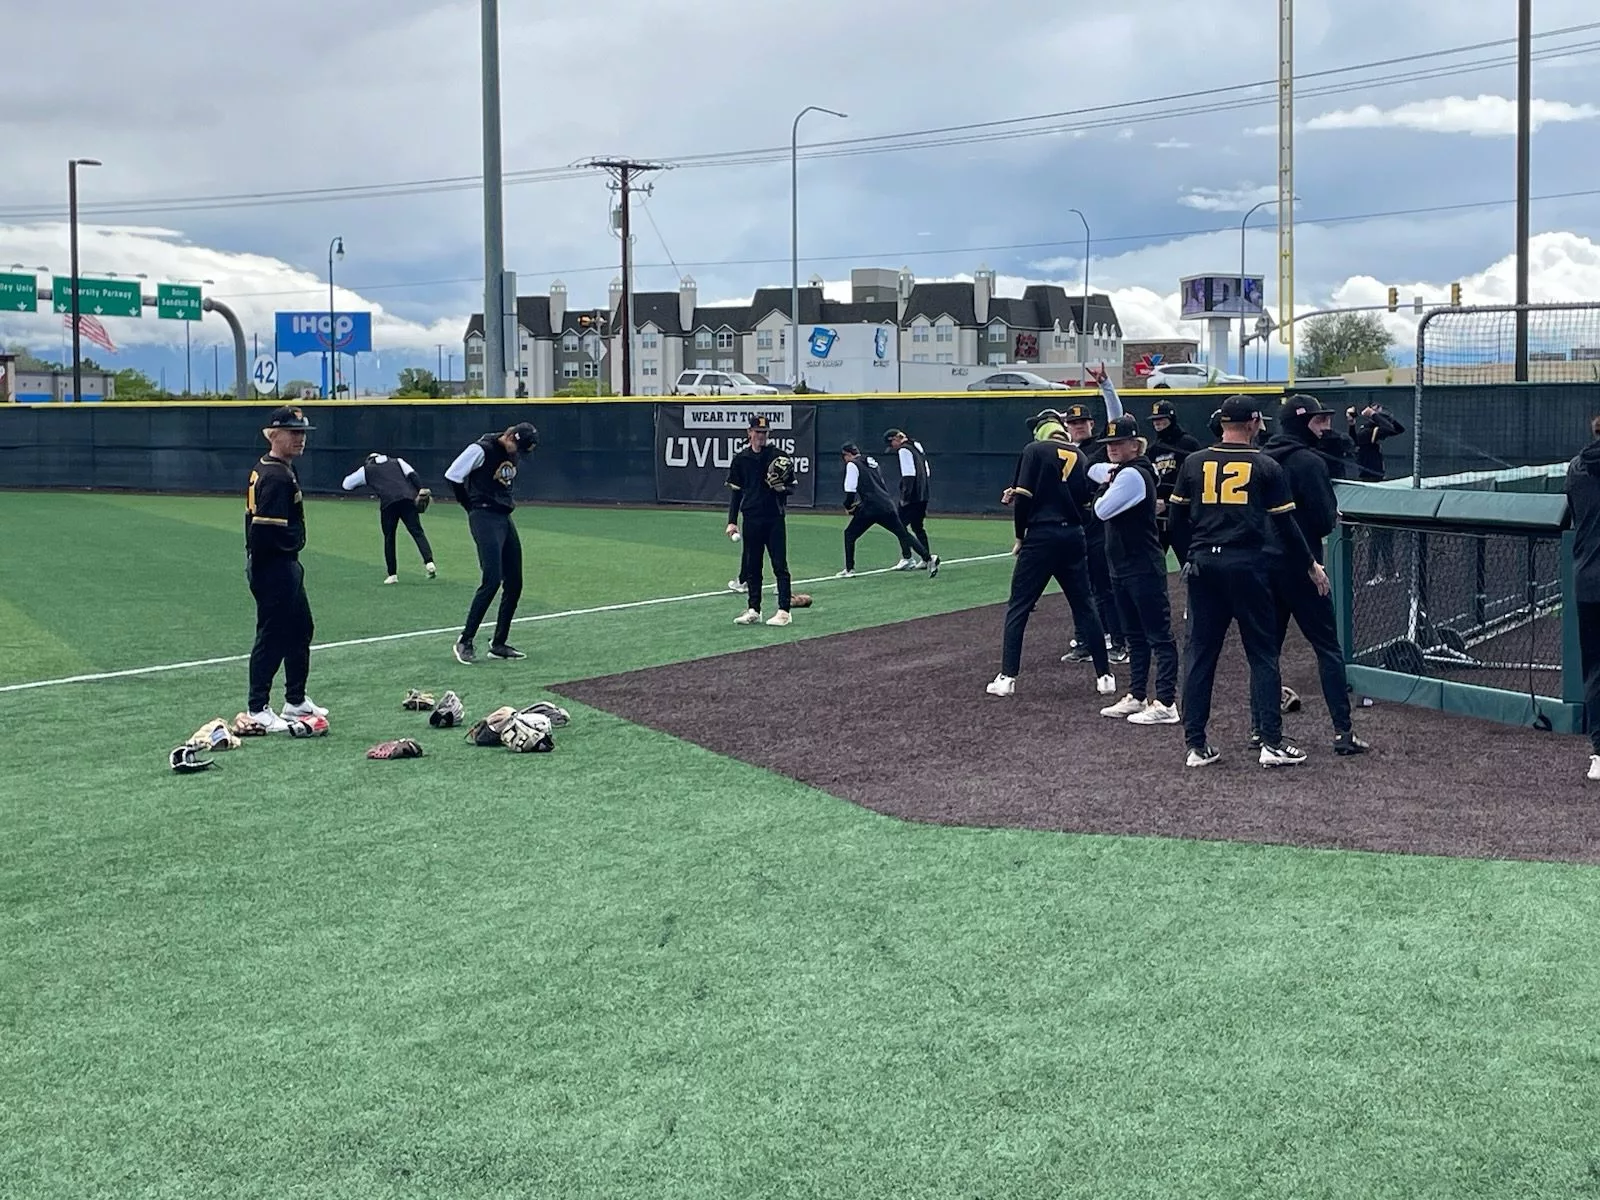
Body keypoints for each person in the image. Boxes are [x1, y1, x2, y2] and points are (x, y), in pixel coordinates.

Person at [1167, 395, 1327, 768]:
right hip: (1247, 565)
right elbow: (1286, 525)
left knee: (1200, 654)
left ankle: (1196, 744)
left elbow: (1175, 522)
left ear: (1222, 423)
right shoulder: (1265, 465)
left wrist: (1190, 557)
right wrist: (1310, 565)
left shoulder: (1194, 462)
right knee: (1262, 653)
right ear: (1254, 423)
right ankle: (1270, 742)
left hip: (1204, 566)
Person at [1260, 395, 1370, 757]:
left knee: (1266, 653)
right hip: (1305, 566)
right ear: (1300, 423)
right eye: (1318, 421)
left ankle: (1261, 730)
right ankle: (1343, 733)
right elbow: (1324, 520)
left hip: (1264, 565)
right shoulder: (1308, 461)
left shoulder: (1261, 458)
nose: (1325, 427)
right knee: (1327, 648)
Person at [986, 410, 1116, 699]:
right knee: (1085, 606)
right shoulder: (1079, 455)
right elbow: (1083, 501)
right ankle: (1105, 676)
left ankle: (1007, 677)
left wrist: (1020, 535)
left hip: (1041, 536)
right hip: (1073, 535)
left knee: (1019, 606)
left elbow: (1025, 497)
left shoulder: (1034, 450)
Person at [1089, 414, 1180, 725]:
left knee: (1158, 635)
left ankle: (1166, 701)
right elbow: (1094, 470)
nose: (1112, 448)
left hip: (1140, 565)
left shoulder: (1131, 474)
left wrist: (1104, 485)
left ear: (1135, 444)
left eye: (1119, 442)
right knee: (1136, 636)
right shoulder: (1125, 471)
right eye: (1109, 443)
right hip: (1125, 564)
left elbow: (1101, 510)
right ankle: (1137, 695)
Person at [244, 405, 327, 732]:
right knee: (272, 634)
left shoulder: (275, 467)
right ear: (273, 434)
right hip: (274, 566)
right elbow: (264, 532)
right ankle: (257, 708)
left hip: (282, 565)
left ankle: (295, 700)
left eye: (302, 432)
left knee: (300, 628)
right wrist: (272, 569)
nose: (300, 438)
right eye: (293, 432)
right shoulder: (277, 476)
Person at [445, 421, 539, 664]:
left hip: (503, 516)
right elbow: (453, 475)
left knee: (515, 582)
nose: (517, 453)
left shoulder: (512, 452)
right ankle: (465, 640)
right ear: (510, 436)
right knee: (491, 580)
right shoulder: (481, 449)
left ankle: (498, 643)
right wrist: (469, 505)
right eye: (517, 447)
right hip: (484, 516)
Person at [1060, 376, 1130, 666]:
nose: (1078, 426)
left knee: (1103, 585)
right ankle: (1086, 640)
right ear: (1067, 426)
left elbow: (1117, 419)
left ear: (1091, 424)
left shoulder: (1100, 448)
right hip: (1074, 524)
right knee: (1080, 587)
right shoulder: (1064, 452)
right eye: (1073, 423)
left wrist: (1106, 387)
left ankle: (1118, 641)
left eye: (1083, 422)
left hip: (1098, 523)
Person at [725, 414, 797, 627]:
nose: (761, 436)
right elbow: (736, 493)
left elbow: (792, 487)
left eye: (764, 432)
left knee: (779, 565)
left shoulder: (778, 456)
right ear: (749, 432)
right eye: (757, 432)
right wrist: (732, 521)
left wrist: (781, 488)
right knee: (752, 566)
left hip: (774, 517)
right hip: (751, 518)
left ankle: (784, 611)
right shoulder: (741, 459)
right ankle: (754, 610)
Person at [837, 442, 939, 578]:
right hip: (886, 505)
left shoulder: (852, 465)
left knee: (849, 534)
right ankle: (929, 558)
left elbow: (850, 490)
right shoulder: (871, 462)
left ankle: (849, 570)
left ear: (847, 454)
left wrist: (848, 506)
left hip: (870, 507)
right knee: (903, 534)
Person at [1563, 415, 1600, 782]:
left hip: (1587, 580)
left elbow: (1574, 513)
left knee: (1595, 669)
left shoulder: (1576, 468)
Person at [341, 452, 436, 584]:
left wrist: (367, 480)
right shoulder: (397, 461)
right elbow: (413, 475)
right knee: (417, 532)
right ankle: (429, 562)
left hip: (388, 503)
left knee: (389, 538)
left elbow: (346, 484)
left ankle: (392, 575)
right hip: (407, 499)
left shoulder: (366, 469)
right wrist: (420, 489)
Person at [1346, 402, 1408, 584]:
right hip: (1371, 484)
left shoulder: (1370, 430)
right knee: (1378, 532)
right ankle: (1373, 574)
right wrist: (1372, 415)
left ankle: (1388, 571)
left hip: (1377, 483)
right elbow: (1387, 428)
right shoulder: (1367, 432)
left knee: (1383, 532)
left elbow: (1398, 428)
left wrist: (1374, 416)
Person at [1146, 399, 1201, 563]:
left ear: (1171, 419)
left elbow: (1194, 479)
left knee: (1190, 563)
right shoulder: (1153, 448)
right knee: (1152, 563)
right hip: (1159, 515)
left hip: (1182, 514)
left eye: (1161, 419)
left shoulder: (1188, 444)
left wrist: (1169, 502)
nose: (1157, 423)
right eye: (1155, 419)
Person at [884, 428, 933, 568]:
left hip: (912, 496)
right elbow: (927, 470)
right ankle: (926, 559)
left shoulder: (904, 450)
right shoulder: (916, 444)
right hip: (923, 493)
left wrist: (905, 497)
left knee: (899, 526)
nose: (893, 447)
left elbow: (909, 475)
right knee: (918, 526)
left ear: (895, 439)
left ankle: (907, 558)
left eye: (891, 444)